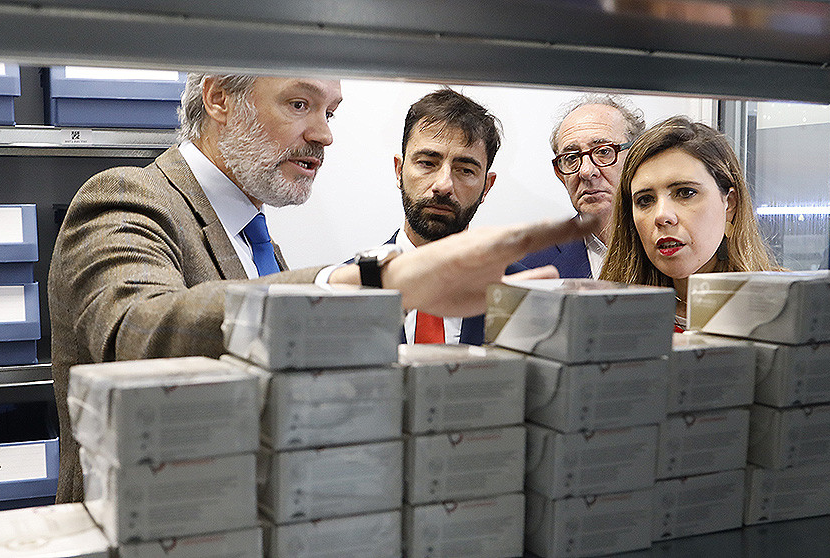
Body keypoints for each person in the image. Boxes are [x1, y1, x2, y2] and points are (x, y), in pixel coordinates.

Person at [48, 73, 598, 502]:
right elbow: (135, 333)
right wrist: (370, 278)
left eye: (330, 111)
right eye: (299, 104)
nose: (325, 133)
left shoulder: (260, 242)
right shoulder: (127, 196)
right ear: (219, 98)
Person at [599, 116, 781, 331]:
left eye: (685, 193)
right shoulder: (611, 313)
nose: (662, 216)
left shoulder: (780, 307)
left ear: (729, 204)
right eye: (645, 200)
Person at [381, 88, 516, 345]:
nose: (443, 185)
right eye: (427, 163)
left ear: (487, 186)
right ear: (399, 171)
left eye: (465, 170)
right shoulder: (348, 285)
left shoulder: (517, 290)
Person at [518, 94, 645, 278]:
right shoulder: (530, 267)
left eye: (603, 152)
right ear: (561, 175)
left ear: (637, 158)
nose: (586, 171)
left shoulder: (670, 245)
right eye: (571, 158)